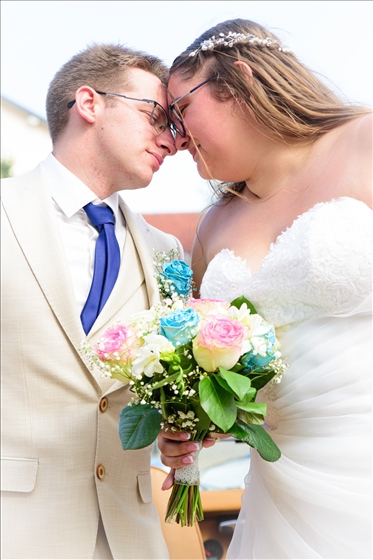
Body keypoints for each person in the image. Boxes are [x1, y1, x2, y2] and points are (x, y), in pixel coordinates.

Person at [158, 18, 372, 559]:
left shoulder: (363, 143)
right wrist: (190, 422)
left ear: (240, 82)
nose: (177, 139)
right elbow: (222, 373)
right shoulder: (212, 226)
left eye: (181, 111)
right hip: (280, 485)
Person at [1, 43, 182, 559]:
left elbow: (158, 391)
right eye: (157, 116)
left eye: (174, 127)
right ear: (90, 102)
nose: (169, 141)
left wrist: (177, 431)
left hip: (130, 537)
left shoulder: (166, 253)